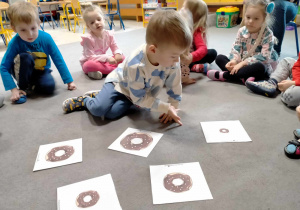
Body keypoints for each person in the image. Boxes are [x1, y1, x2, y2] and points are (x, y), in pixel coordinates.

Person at [62, 10, 192, 126]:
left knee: (111, 114)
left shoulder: (173, 59)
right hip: (118, 83)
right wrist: (165, 107)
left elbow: (174, 86)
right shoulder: (136, 64)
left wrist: (173, 107)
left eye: (179, 55)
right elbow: (140, 98)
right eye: (174, 56)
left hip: (135, 93)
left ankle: (101, 96)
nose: (177, 60)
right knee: (98, 110)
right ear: (153, 49)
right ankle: (85, 100)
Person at [0, 2, 76, 104]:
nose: (29, 34)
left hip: (41, 72)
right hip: (22, 71)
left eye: (33, 28)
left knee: (49, 87)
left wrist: (69, 81)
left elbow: (58, 59)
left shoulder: (46, 38)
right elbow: (4, 66)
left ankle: (32, 85)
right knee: (25, 57)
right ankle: (23, 88)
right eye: (23, 30)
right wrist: (14, 89)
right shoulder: (15, 43)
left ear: (38, 23)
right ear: (14, 28)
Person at [207, 0, 278, 84]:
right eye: (248, 17)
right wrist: (234, 61)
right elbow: (236, 48)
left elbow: (264, 57)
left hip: (254, 65)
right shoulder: (241, 31)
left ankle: (226, 76)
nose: (251, 21)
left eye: (256, 18)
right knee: (219, 58)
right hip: (240, 64)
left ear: (264, 19)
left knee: (260, 68)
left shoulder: (267, 34)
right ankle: (242, 77)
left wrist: (243, 63)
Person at [80, 5, 124, 80]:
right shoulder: (88, 39)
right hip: (92, 61)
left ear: (103, 19)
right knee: (89, 65)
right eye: (92, 22)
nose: (97, 23)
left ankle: (102, 71)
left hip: (104, 61)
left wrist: (117, 53)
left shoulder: (109, 34)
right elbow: (89, 57)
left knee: (122, 57)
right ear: (88, 26)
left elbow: (115, 47)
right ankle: (113, 70)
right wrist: (107, 58)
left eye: (98, 19)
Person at [180, 0, 217, 84]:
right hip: (179, 57)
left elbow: (203, 48)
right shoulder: (179, 26)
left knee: (211, 52)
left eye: (184, 8)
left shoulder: (197, 30)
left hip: (187, 58)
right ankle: (194, 67)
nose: (181, 10)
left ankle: (192, 66)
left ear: (192, 15)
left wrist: (191, 57)